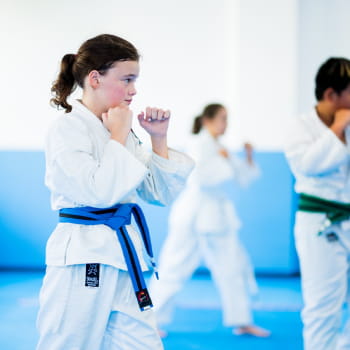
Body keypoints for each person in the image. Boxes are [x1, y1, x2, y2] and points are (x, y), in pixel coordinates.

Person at [35, 33, 194, 350]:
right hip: (84, 255)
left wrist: (157, 139)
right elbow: (98, 192)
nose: (133, 90)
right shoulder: (68, 128)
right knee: (68, 343)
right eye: (127, 79)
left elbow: (156, 194)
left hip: (123, 255)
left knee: (143, 344)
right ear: (95, 78)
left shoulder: (119, 128)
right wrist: (119, 134)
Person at [150, 103, 270, 337]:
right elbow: (202, 177)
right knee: (173, 269)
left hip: (217, 218)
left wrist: (246, 157)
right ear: (207, 120)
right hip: (194, 215)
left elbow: (244, 178)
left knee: (232, 269)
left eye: (227, 118)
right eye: (222, 118)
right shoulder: (198, 143)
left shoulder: (219, 146)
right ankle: (150, 320)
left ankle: (241, 319)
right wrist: (226, 161)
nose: (226, 124)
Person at [285, 57, 350, 350]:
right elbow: (308, 165)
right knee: (323, 302)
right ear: (331, 95)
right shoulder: (300, 127)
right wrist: (336, 130)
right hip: (319, 222)